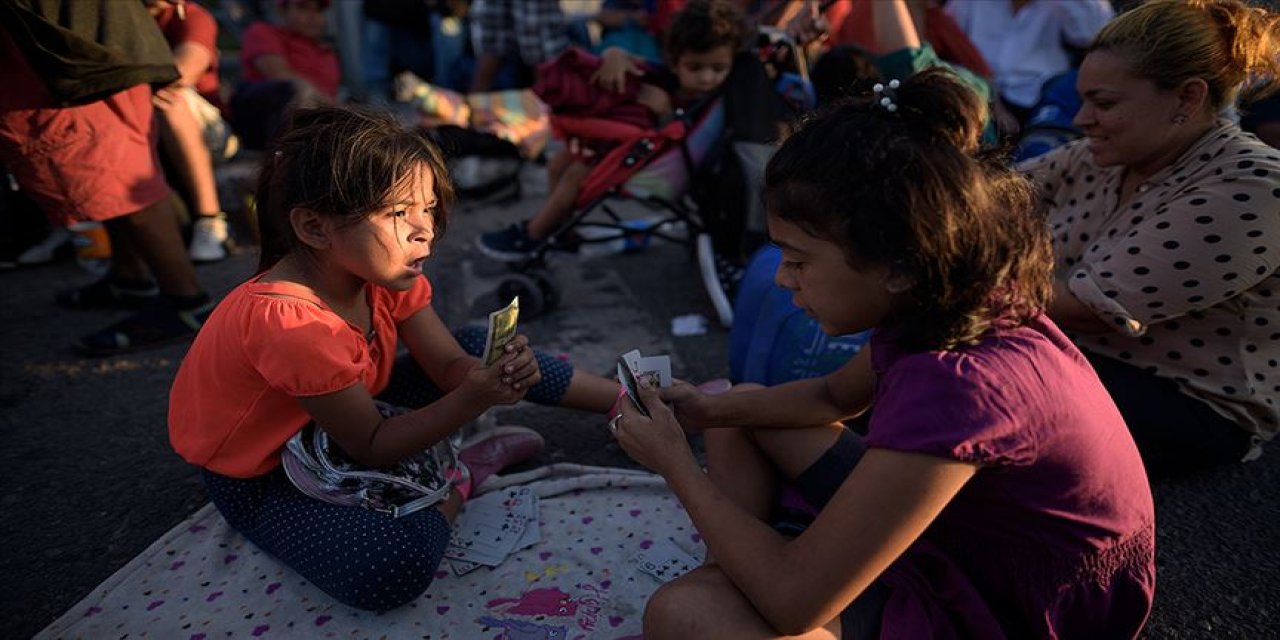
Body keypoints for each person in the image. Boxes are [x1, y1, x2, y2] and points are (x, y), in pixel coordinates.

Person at [612, 69, 1156, 638]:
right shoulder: (946, 299)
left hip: (1012, 605)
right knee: (742, 406)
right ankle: (743, 573)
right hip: (962, 539)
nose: (782, 281)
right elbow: (831, 396)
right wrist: (705, 411)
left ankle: (749, 581)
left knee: (684, 614)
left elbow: (797, 606)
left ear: (897, 264)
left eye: (799, 261)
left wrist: (675, 463)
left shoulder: (959, 385)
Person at [168, 106, 621, 611]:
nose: (425, 230)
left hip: (351, 414)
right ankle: (460, 477)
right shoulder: (293, 324)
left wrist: (489, 376)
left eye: (427, 208)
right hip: (263, 476)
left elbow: (448, 365)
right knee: (388, 568)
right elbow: (372, 446)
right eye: (398, 213)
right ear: (315, 228)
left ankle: (637, 400)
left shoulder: (382, 275)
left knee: (476, 346)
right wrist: (473, 400)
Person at [1020, 0, 1280, 475]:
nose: (1081, 119)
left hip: (1189, 404)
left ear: (1186, 98)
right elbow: (984, 207)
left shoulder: (1256, 185)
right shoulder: (1098, 156)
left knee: (967, 374)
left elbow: (1092, 309)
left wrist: (950, 278)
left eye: (1104, 103)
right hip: (1074, 353)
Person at [0, 0, 216, 356]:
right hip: (65, 38)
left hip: (77, 45)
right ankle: (131, 274)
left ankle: (186, 300)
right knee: (97, 170)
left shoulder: (194, 18)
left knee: (113, 165)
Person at [477, 0, 745, 261]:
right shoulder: (666, 77)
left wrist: (666, 114)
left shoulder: (715, 99)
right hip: (636, 152)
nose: (707, 77)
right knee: (558, 163)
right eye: (695, 68)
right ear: (675, 63)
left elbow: (688, 139)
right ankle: (561, 229)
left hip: (662, 167)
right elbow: (632, 61)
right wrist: (613, 54)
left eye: (718, 68)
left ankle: (534, 235)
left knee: (575, 174)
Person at [147, 0, 234, 262]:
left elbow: (182, 71)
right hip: (143, 127)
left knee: (173, 97)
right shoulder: (123, 15)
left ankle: (209, 219)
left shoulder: (192, 16)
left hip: (210, 131)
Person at [946, 0, 1112, 136]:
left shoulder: (1060, 6)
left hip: (1041, 96)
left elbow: (1095, 35)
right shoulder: (968, 4)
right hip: (979, 92)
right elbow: (945, 44)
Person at [230, 0, 340, 149]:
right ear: (282, 11)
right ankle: (288, 153)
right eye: (303, 8)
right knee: (300, 91)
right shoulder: (262, 32)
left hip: (310, 115)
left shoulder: (326, 53)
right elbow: (277, 73)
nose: (312, 17)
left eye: (318, 10)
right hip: (261, 118)